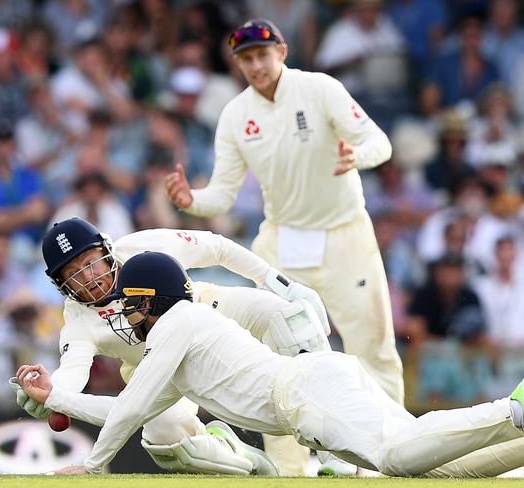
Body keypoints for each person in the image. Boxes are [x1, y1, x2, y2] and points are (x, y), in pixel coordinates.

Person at [17, 251, 524, 477]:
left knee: (396, 460)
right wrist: (55, 397)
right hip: (314, 389)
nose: (126, 314)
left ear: (152, 298)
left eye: (132, 303)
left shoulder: (177, 323)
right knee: (436, 469)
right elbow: (126, 407)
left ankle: (513, 408)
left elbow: (130, 405)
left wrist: (92, 466)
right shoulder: (174, 348)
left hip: (305, 396)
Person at [164, 18, 403, 474]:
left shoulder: (320, 89)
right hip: (281, 241)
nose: (256, 65)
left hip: (344, 234)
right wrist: (191, 201)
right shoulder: (236, 115)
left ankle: (387, 457)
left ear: (283, 51)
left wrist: (359, 156)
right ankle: (290, 470)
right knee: (272, 358)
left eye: (262, 55)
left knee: (372, 348)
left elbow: (380, 141)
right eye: (246, 59)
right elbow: (223, 193)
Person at [12, 217, 331, 476]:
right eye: (74, 273)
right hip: (160, 367)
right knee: (167, 445)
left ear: (105, 250)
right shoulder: (78, 318)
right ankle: (246, 462)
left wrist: (277, 282)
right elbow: (72, 371)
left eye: (91, 262)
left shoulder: (141, 247)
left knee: (289, 317)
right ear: (61, 284)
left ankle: (334, 456)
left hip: (208, 308)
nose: (90, 277)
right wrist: (52, 394)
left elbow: (216, 247)